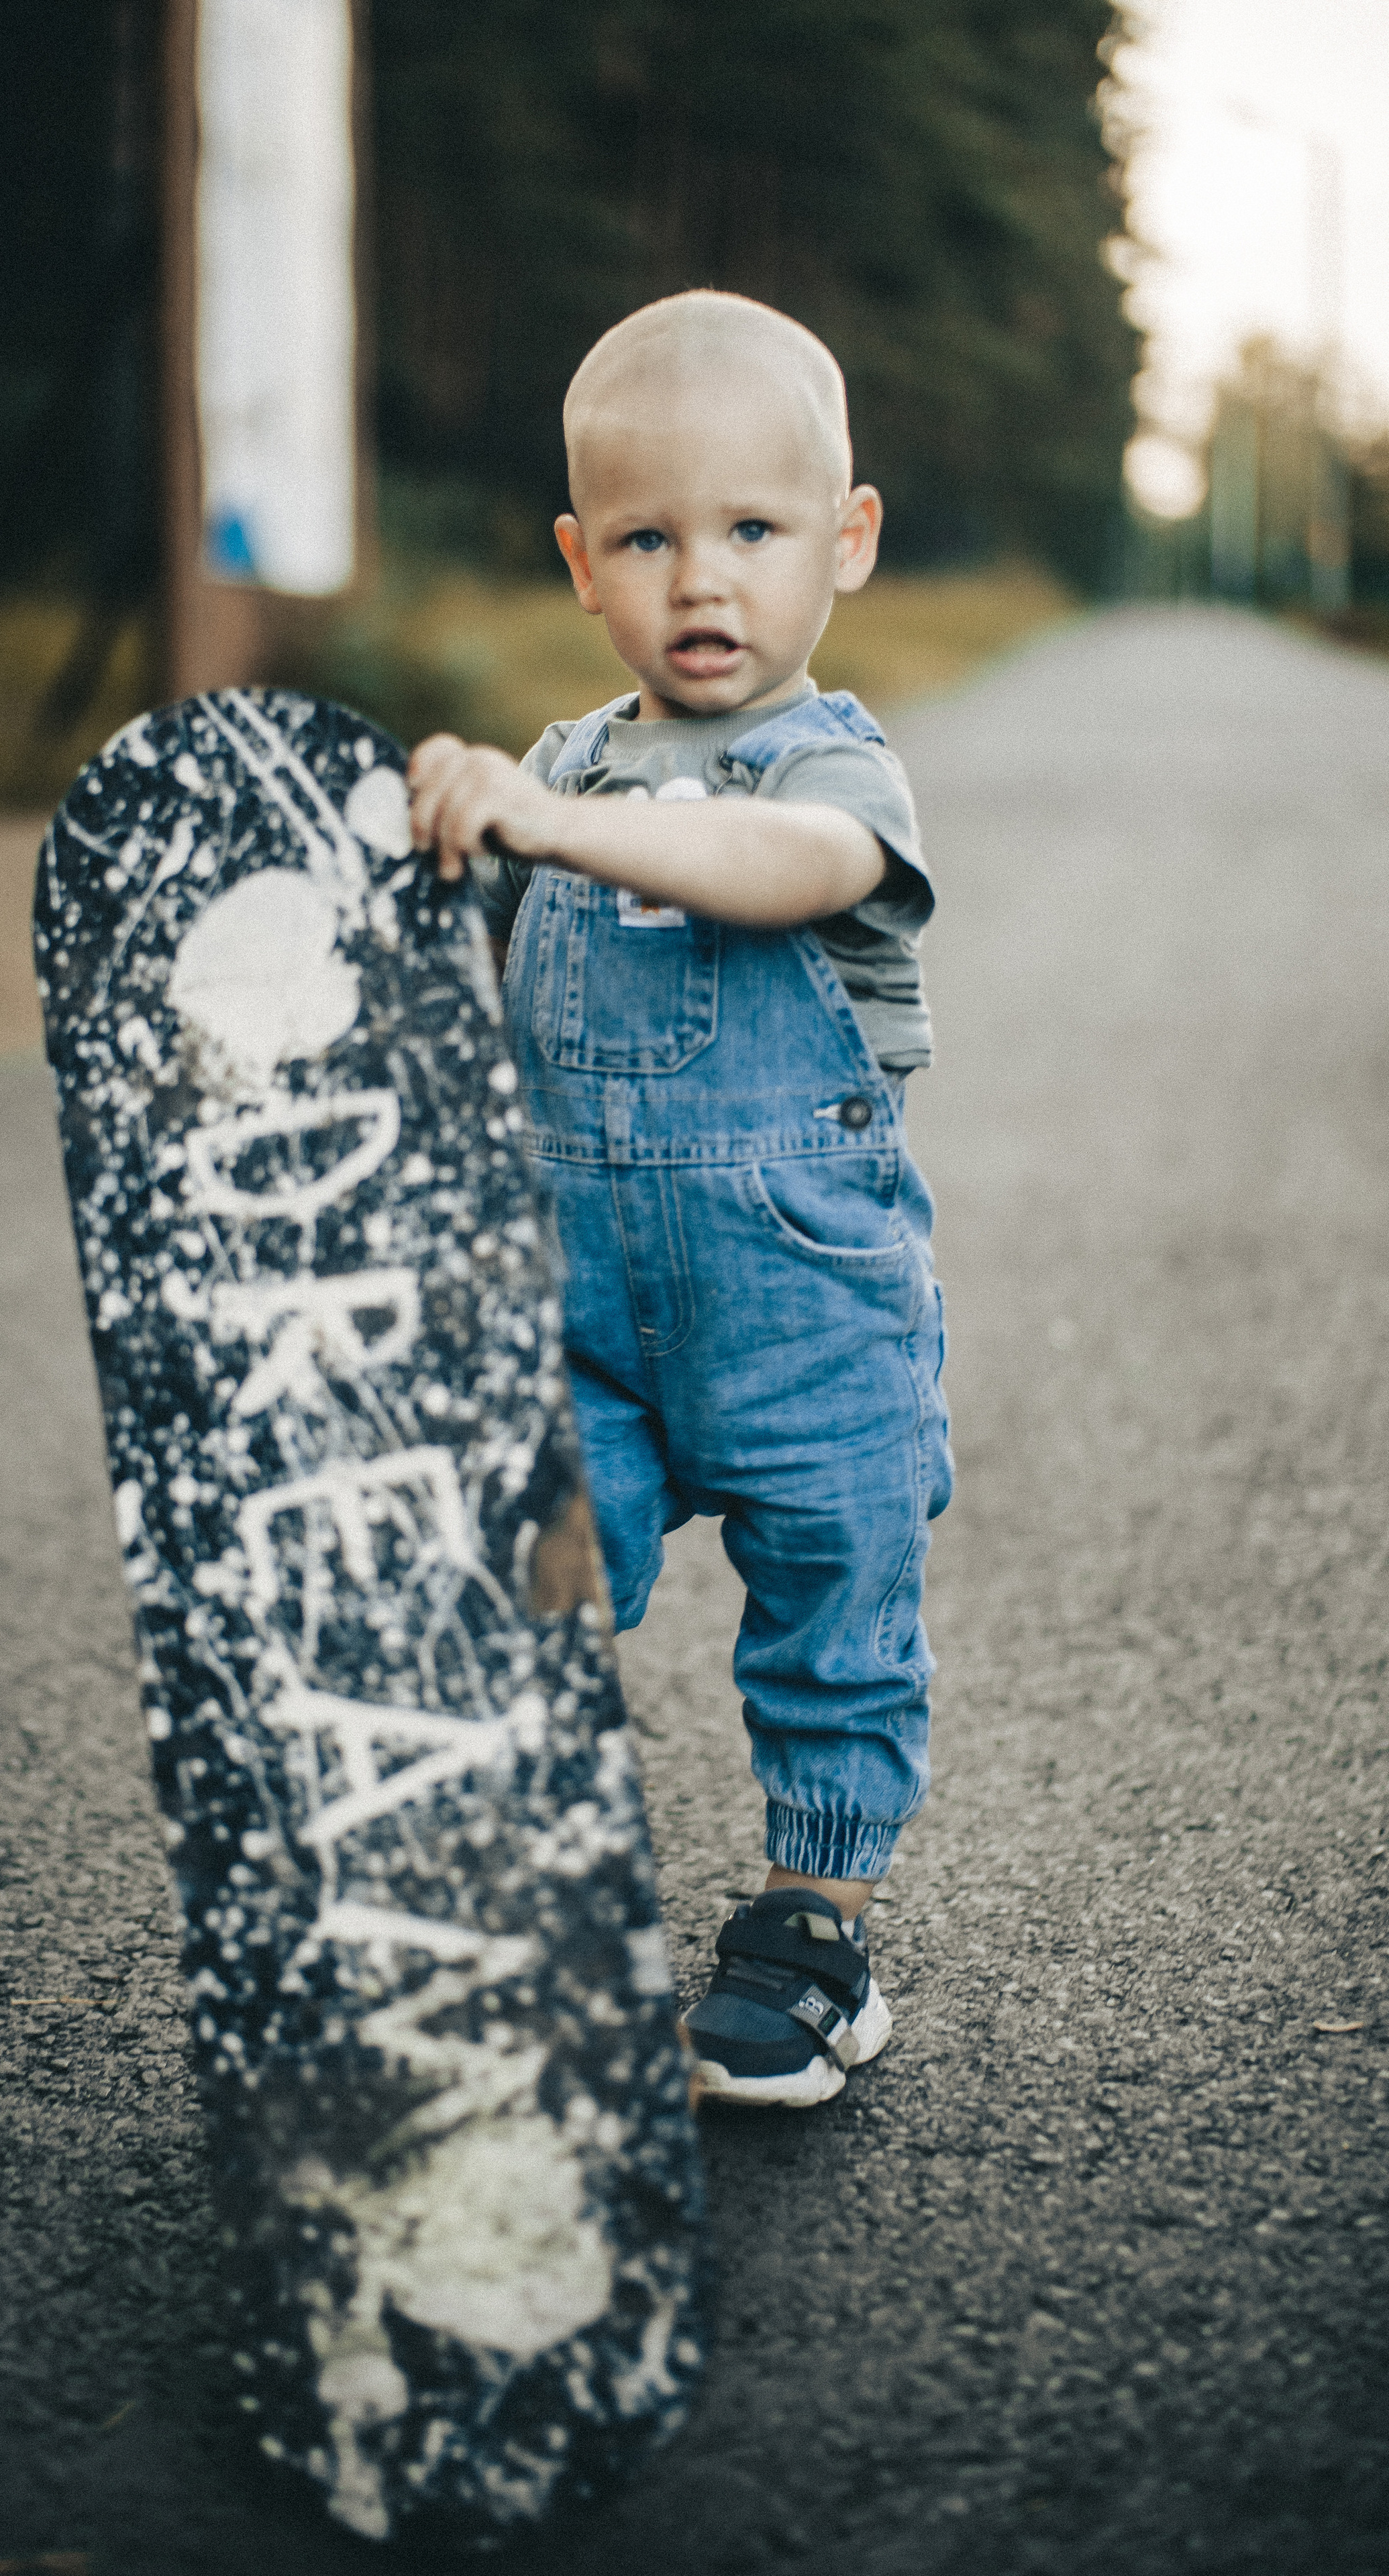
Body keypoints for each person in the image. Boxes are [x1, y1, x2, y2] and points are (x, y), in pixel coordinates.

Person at [405, 290, 951, 2109]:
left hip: (804, 1310)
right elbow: (448, 1000)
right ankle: (486, 1902)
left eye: (752, 531)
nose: (700, 581)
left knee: (832, 1614)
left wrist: (556, 828)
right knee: (527, 1572)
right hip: (587, 1315)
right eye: (647, 538)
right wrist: (418, 832)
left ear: (845, 540)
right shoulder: (554, 775)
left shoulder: (830, 769)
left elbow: (785, 871)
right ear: (582, 562)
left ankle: (812, 1935)